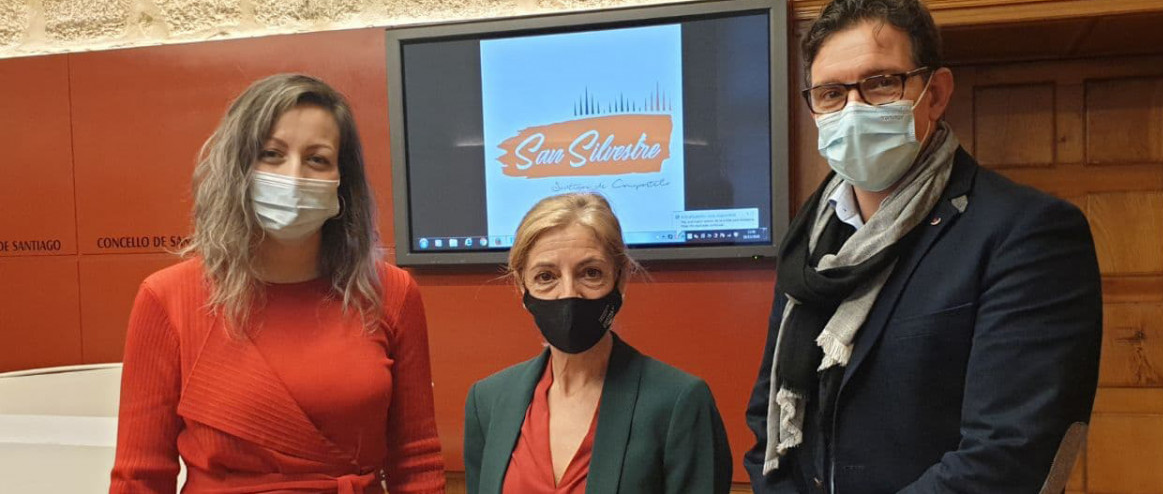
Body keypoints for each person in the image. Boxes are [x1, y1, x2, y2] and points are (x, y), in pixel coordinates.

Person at [744, 0, 1103, 492]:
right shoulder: (810, 243)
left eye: (880, 83)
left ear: (934, 94)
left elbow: (1007, 455)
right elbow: (769, 422)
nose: (852, 109)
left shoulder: (1027, 233)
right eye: (830, 94)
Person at [110, 74, 445, 493]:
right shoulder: (168, 298)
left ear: (342, 182)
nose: (293, 175)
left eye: (317, 159)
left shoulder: (390, 292)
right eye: (271, 154)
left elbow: (416, 462)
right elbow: (139, 477)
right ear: (237, 169)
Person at [463, 193, 732, 494]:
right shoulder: (488, 401)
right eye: (546, 276)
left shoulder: (680, 402)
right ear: (521, 286)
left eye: (590, 273)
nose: (569, 293)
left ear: (620, 279)